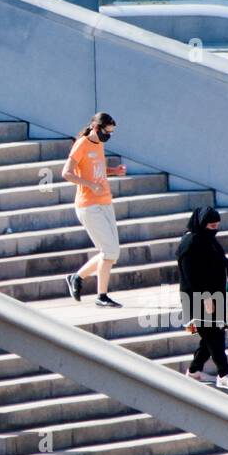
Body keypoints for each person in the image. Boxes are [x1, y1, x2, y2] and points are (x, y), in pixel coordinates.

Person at [63, 112, 127, 308]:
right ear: (96, 127)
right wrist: (91, 185)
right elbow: (66, 173)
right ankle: (101, 296)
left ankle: (76, 277)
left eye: (111, 133)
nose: (108, 136)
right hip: (88, 205)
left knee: (112, 253)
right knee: (109, 251)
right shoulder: (81, 144)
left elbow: (97, 169)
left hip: (105, 201)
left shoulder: (100, 144)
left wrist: (114, 171)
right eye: (107, 131)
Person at [176, 206, 228, 390]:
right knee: (213, 335)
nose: (215, 230)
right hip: (199, 298)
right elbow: (191, 275)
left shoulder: (206, 240)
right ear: (202, 224)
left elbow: (219, 260)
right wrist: (205, 298)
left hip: (216, 295)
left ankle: (194, 371)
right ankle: (224, 373)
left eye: (217, 226)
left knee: (211, 335)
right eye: (212, 226)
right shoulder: (189, 244)